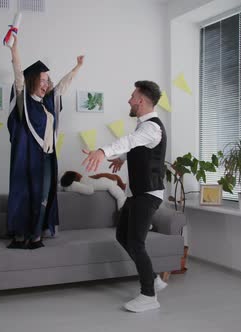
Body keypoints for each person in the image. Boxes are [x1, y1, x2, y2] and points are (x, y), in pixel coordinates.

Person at [82, 80, 168, 312]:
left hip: (148, 193)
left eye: (132, 96)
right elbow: (137, 147)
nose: (129, 100)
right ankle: (154, 278)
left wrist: (102, 151)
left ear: (140, 100)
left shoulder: (151, 127)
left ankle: (149, 295)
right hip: (136, 193)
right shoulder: (144, 127)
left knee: (136, 243)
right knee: (122, 235)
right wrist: (122, 158)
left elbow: (130, 141)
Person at [6, 36, 84, 249]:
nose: (46, 84)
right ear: (32, 80)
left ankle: (36, 236)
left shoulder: (47, 103)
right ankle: (21, 235)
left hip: (47, 158)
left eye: (47, 80)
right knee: (25, 195)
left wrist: (76, 68)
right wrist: (15, 51)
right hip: (28, 159)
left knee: (43, 197)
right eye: (42, 80)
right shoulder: (24, 103)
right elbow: (18, 78)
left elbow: (62, 87)